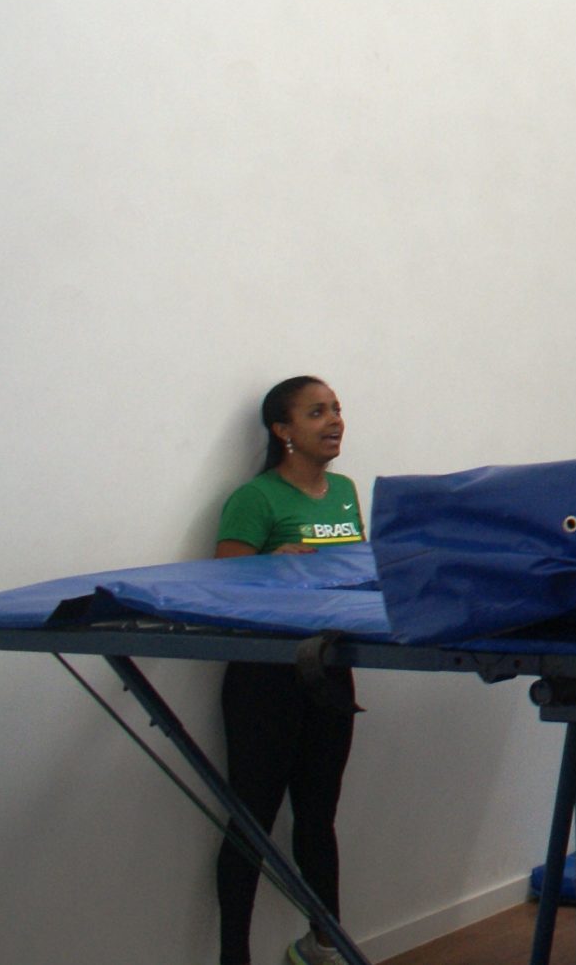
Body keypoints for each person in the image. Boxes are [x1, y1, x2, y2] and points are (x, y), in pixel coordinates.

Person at [213, 376, 366, 965]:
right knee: (251, 817)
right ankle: (234, 957)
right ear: (283, 431)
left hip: (330, 669)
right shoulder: (256, 498)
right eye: (316, 412)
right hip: (264, 677)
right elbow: (220, 588)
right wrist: (271, 565)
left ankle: (323, 944)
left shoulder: (346, 491)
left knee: (318, 816)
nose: (334, 421)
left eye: (337, 409)